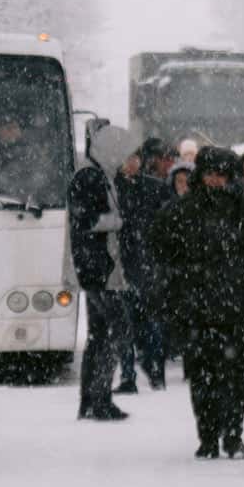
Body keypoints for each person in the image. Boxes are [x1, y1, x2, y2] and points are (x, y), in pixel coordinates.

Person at [150, 147, 244, 459]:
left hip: (239, 309)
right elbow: (159, 254)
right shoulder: (181, 212)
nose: (215, 181)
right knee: (202, 377)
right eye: (210, 174)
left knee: (236, 377)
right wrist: (174, 292)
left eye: (221, 175)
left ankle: (234, 433)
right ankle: (208, 435)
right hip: (197, 310)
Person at [68, 124, 141, 422]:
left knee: (100, 334)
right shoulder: (90, 176)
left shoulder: (96, 174)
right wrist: (117, 222)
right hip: (98, 268)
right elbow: (84, 220)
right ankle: (99, 399)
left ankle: (90, 400)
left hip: (95, 267)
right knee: (116, 329)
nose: (125, 159)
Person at [115, 145, 174, 393]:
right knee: (123, 323)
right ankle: (128, 376)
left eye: (134, 157)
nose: (131, 162)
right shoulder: (110, 188)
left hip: (147, 264)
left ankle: (156, 372)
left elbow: (168, 221)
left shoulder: (155, 187)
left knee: (151, 322)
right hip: (119, 265)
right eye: (126, 158)